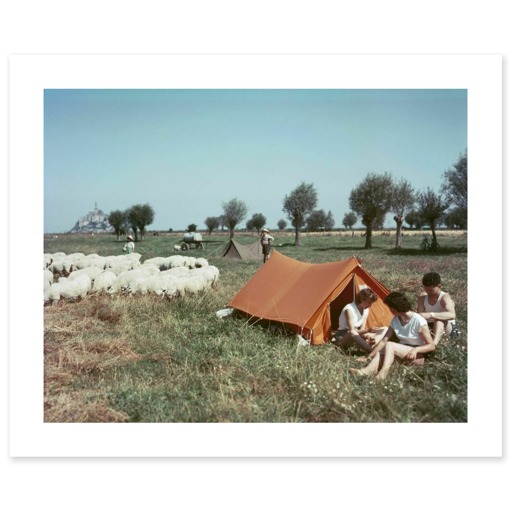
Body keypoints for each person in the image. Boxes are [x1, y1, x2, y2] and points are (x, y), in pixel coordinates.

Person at [350, 291, 435, 381]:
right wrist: (369, 356)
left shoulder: (418, 320)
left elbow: (431, 345)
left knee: (390, 345)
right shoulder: (396, 319)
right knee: (380, 353)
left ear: (394, 308)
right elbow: (384, 340)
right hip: (402, 352)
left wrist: (416, 350)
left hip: (416, 355)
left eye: (389, 308)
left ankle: (383, 373)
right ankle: (364, 372)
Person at [332, 288, 387, 353]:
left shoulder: (366, 310)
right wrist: (367, 331)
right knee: (352, 332)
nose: (370, 305)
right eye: (368, 302)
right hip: (344, 335)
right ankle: (372, 351)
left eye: (371, 303)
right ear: (361, 299)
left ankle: (374, 344)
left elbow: (362, 329)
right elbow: (351, 330)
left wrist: (366, 336)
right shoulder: (349, 309)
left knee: (384, 328)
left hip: (357, 335)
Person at [416, 272, 457, 344]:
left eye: (431, 290)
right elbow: (420, 316)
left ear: (439, 286)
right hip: (430, 326)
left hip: (446, 326)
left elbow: (452, 315)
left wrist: (431, 315)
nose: (428, 292)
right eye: (426, 290)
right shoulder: (422, 297)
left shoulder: (444, 297)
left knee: (438, 321)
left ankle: (434, 345)